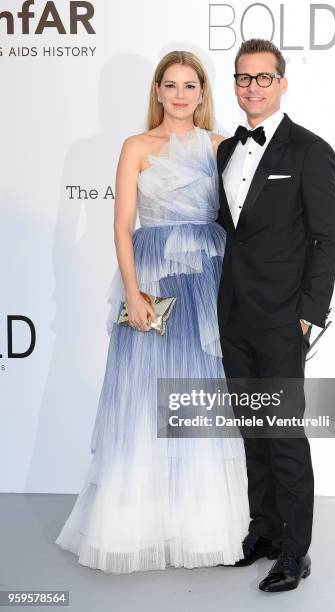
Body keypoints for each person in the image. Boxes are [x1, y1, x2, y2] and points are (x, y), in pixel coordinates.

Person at [55, 50, 250, 573]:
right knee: (142, 397)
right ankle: (134, 525)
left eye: (191, 86)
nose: (181, 94)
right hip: (153, 280)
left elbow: (240, 220)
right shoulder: (136, 146)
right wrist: (134, 293)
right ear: (158, 92)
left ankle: (201, 525)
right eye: (171, 85)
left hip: (208, 280)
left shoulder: (220, 146)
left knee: (200, 398)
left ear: (203, 93)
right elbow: (122, 226)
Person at [216, 38, 335, 592]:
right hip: (233, 314)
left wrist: (308, 315)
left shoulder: (309, 150)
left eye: (263, 78)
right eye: (244, 78)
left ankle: (296, 550)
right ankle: (264, 531)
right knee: (252, 430)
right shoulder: (225, 152)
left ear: (283, 83)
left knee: (285, 434)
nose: (252, 87)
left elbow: (328, 239)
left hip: (282, 318)